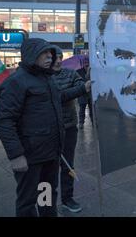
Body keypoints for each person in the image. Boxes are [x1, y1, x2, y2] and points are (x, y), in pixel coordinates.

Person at [0, 38, 90, 217]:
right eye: (44, 53)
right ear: (31, 56)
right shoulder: (16, 82)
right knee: (28, 200)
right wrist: (16, 155)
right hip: (30, 156)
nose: (50, 57)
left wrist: (83, 89)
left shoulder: (46, 78)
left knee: (46, 193)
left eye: (50, 53)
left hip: (51, 153)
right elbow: (4, 121)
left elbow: (60, 98)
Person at [51, 46, 85, 213]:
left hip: (69, 127)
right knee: (47, 168)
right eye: (54, 57)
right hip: (49, 130)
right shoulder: (42, 77)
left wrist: (87, 83)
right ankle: (46, 203)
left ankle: (67, 198)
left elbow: (82, 86)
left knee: (68, 166)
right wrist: (77, 90)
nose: (58, 61)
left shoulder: (70, 74)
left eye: (60, 57)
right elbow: (57, 97)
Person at [77, 57, 92, 128]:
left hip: (91, 94)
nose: (87, 64)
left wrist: (89, 72)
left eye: (88, 63)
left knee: (92, 110)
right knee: (82, 109)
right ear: (83, 64)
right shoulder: (78, 72)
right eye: (85, 63)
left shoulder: (93, 71)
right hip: (82, 94)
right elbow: (79, 82)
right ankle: (81, 123)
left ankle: (93, 122)